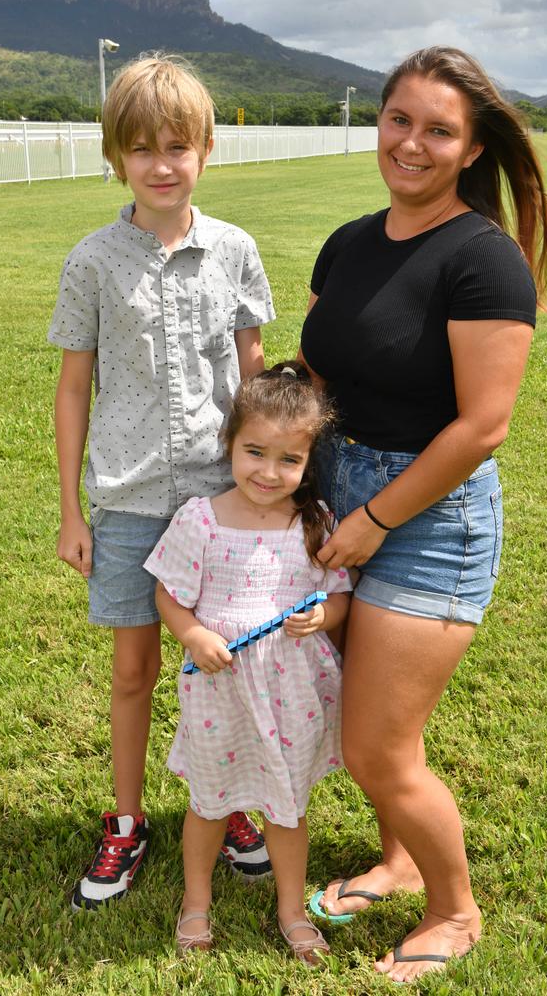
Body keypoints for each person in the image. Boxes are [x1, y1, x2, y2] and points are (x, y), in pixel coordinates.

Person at [299, 46, 547, 981]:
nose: (412, 143)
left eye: (438, 129)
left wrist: (372, 521)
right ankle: (399, 863)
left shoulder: (484, 263)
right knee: (368, 719)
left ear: (473, 147)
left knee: (377, 743)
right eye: (399, 119)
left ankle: (454, 911)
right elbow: (324, 369)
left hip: (430, 518)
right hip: (333, 489)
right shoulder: (351, 240)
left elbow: (483, 425)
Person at [48, 55, 276, 912]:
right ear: (116, 157)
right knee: (137, 670)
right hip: (131, 500)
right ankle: (128, 819)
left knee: (226, 664)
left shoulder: (236, 251)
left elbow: (255, 380)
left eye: (177, 145)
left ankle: (232, 805)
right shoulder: (93, 261)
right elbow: (75, 387)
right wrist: (73, 507)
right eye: (140, 148)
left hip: (224, 503)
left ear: (207, 149)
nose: (161, 163)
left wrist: (273, 495)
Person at [143, 363, 352, 961]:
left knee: (287, 806)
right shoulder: (201, 520)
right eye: (254, 452)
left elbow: (337, 593)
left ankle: (291, 911)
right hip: (221, 688)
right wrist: (190, 634)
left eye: (288, 460)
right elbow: (169, 593)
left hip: (291, 689)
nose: (268, 471)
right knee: (209, 802)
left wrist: (324, 618)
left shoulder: (313, 523)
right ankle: (196, 904)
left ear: (309, 462)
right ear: (229, 444)